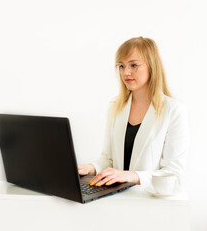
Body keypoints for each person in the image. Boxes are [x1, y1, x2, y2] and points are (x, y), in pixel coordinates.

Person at [78, 37, 190, 188]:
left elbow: (173, 173)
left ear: (152, 66)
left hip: (150, 199)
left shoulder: (174, 110)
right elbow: (108, 160)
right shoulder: (115, 107)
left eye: (133, 65)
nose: (126, 72)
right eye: (121, 66)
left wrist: (131, 176)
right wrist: (90, 168)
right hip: (116, 197)